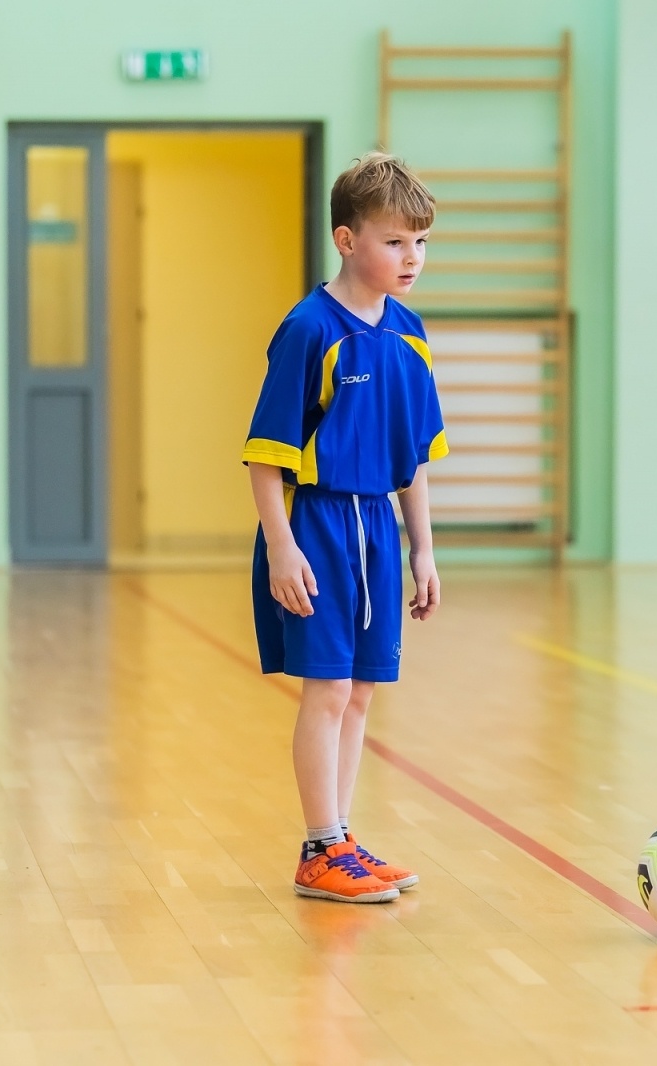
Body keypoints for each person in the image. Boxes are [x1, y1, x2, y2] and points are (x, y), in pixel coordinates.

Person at [242, 152, 448, 903]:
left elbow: (413, 456)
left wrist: (422, 548)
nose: (412, 258)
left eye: (420, 242)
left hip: (378, 529)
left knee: (361, 691)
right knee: (326, 692)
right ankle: (319, 847)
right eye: (395, 242)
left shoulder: (409, 332)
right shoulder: (308, 329)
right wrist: (281, 546)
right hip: (320, 524)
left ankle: (341, 838)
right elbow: (265, 457)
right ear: (346, 239)